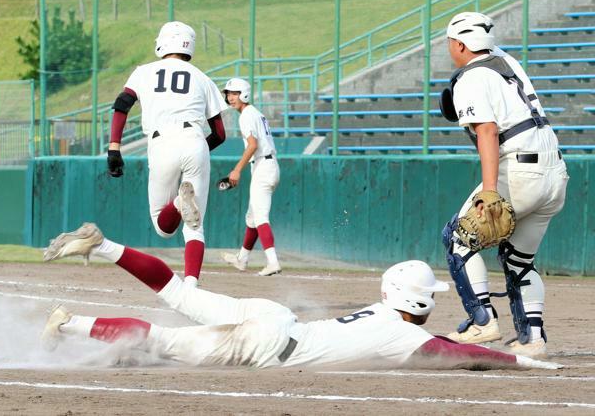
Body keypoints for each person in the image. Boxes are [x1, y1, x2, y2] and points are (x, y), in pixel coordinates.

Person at [41, 223, 560, 371]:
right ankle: (68, 324)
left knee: (177, 291)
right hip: (270, 347)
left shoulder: (379, 311)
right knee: (163, 341)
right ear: (419, 302)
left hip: (271, 315)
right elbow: (461, 351)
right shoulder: (403, 333)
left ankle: (104, 245)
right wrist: (520, 360)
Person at [439, 12, 569, 357]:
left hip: (520, 170)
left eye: (450, 42)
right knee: (519, 260)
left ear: (460, 44)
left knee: (457, 238)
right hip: (554, 173)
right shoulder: (507, 62)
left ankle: (481, 320)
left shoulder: (471, 76)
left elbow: (486, 131)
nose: (449, 49)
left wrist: (489, 189)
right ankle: (533, 338)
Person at [106, 21, 228, 287]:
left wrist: (114, 147)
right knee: (194, 227)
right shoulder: (202, 77)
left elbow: (122, 104)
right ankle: (191, 288)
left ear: (163, 42)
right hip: (195, 140)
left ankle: (176, 204)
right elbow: (220, 133)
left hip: (162, 143)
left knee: (163, 228)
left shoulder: (144, 71)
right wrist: (196, 151)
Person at [219, 78, 282, 276]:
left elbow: (253, 145)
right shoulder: (254, 112)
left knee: (261, 216)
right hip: (267, 165)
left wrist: (237, 170)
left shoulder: (246, 115)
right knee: (252, 217)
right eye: (228, 94)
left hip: (264, 166)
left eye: (234, 93)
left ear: (244, 94)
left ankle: (273, 261)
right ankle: (242, 258)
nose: (230, 97)